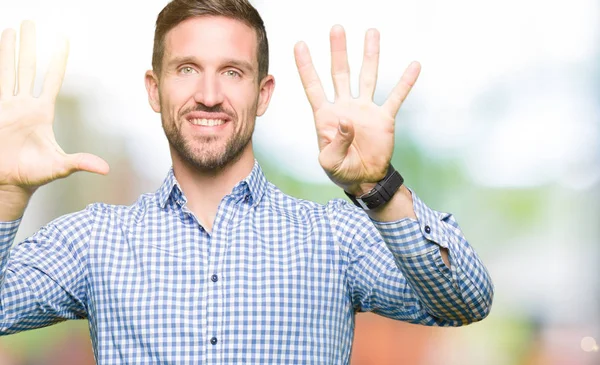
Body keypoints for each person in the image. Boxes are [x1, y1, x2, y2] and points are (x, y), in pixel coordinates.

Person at [0, 0, 494, 363]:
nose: (209, 94)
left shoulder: (334, 237)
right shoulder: (94, 241)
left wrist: (378, 186)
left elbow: (465, 301)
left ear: (263, 94)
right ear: (155, 88)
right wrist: (6, 195)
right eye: (187, 69)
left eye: (232, 72)